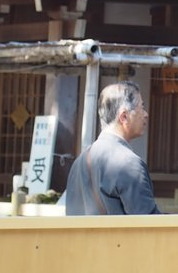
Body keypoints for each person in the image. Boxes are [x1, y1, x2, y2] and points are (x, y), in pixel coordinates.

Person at [63, 81, 159, 215]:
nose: (146, 114)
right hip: (117, 237)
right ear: (124, 116)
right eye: (141, 107)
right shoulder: (129, 164)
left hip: (82, 237)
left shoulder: (79, 162)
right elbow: (148, 224)